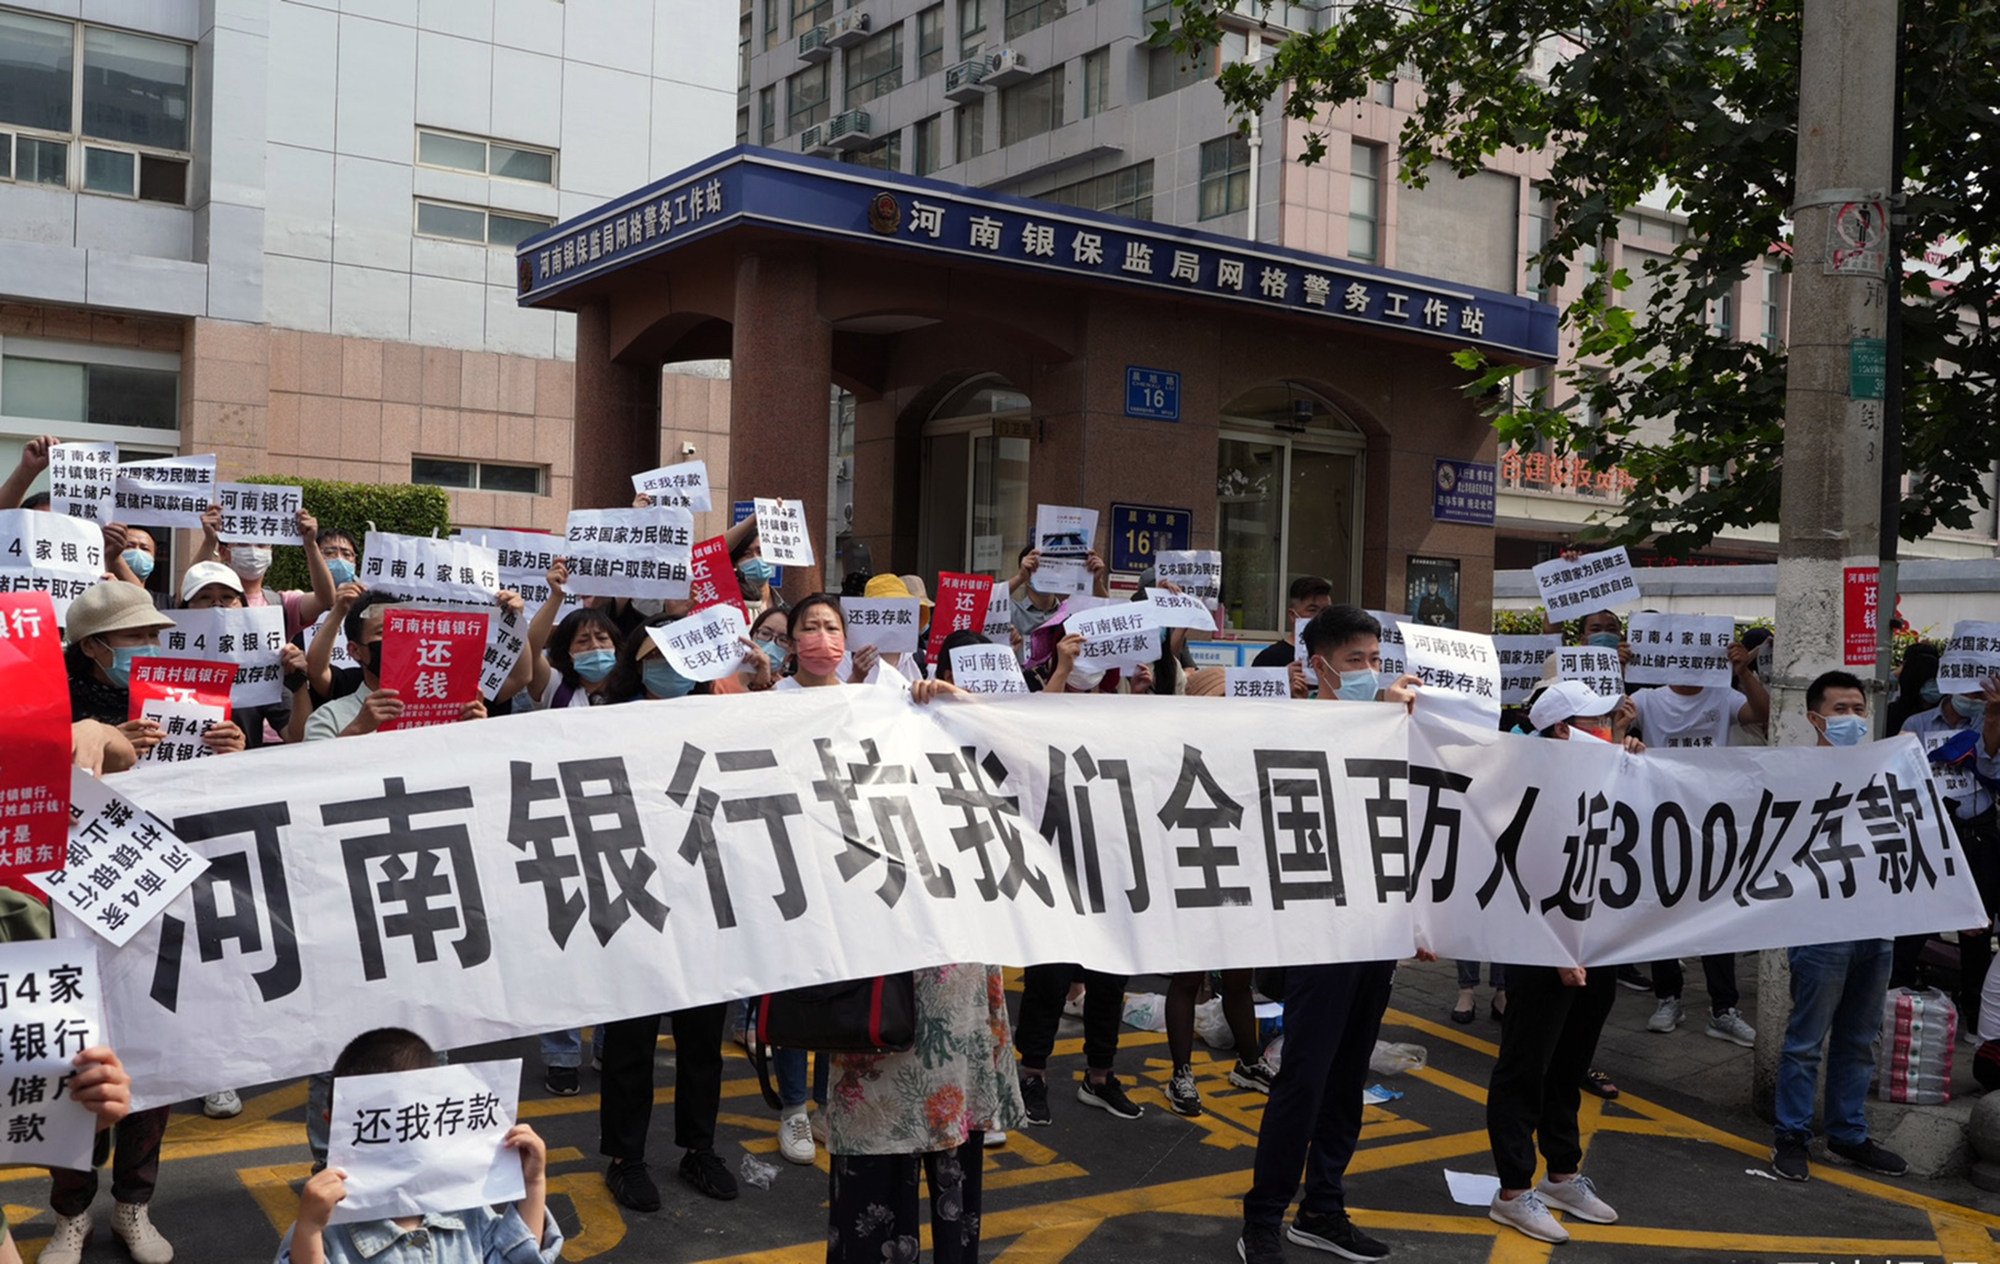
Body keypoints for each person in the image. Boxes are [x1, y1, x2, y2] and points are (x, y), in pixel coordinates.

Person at [1238, 605, 1417, 1264]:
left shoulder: (1395, 727)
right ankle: (1263, 1216)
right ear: (1319, 668)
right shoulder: (1296, 728)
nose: (1371, 672)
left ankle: (1324, 1208)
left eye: (1376, 659)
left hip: (1374, 928)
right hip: (1316, 933)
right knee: (1304, 1080)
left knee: (1347, 1078)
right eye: (1356, 662)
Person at [1484, 680, 1639, 1244]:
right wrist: (1554, 949)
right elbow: (1516, 878)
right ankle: (1512, 1189)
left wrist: (1630, 759)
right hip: (1543, 951)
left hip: (1595, 948)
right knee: (1525, 1066)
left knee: (1571, 1064)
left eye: (1609, 721)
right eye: (1597, 722)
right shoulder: (1529, 785)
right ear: (1559, 730)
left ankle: (1563, 1173)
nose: (1607, 729)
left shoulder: (1603, 772)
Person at [1770, 670, 1909, 1182]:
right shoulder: (1792, 775)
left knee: (1859, 1036)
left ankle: (1848, 1134)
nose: (1852, 718)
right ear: (1815, 718)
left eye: (1858, 709)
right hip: (1821, 925)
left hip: (1877, 922)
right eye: (1841, 710)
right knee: (1806, 1040)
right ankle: (1791, 1135)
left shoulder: (1887, 769)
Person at [278, 1028, 560, 1264]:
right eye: (381, 1125)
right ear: (333, 1124)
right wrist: (310, 1229)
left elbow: (518, 1259)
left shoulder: (466, 1210)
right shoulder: (326, 1226)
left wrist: (533, 1183)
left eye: (411, 1120)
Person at [1629, 638, 1770, 1046]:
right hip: (1660, 817)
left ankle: (1723, 1009)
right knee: (1663, 908)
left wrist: (1744, 672)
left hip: (1712, 819)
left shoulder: (1722, 695)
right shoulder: (1647, 698)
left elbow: (1762, 714)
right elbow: (1607, 720)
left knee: (1715, 911)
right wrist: (1614, 669)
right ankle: (1668, 997)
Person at [1899, 668, 2000, 1027]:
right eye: (1971, 694)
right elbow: (1902, 770)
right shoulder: (1919, 721)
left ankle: (1974, 1013)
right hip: (1929, 832)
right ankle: (1900, 997)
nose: (1975, 700)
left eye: (1982, 694)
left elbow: (1992, 767)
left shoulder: (1990, 720)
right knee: (1916, 915)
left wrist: (1992, 718)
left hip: (1977, 833)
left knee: (1976, 924)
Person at [191, 503, 336, 641]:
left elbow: (325, 599)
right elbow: (185, 593)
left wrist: (310, 544)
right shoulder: (206, 600)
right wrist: (209, 541)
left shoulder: (283, 604)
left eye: (262, 545)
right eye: (243, 544)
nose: (254, 551)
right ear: (223, 552)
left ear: (270, 552)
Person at [522, 561, 625, 710]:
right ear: (567, 651)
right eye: (583, 641)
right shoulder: (554, 686)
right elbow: (531, 650)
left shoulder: (630, 690)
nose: (595, 646)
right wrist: (556, 596)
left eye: (602, 638)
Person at [1250, 577, 1334, 697]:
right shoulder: (1269, 658)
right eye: (1312, 610)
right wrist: (1281, 677)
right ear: (1293, 615)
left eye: (1326, 611)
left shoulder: (1336, 655)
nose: (1321, 616)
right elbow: (1252, 701)